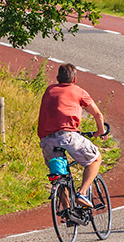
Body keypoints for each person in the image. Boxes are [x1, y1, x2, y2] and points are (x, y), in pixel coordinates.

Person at [37, 63, 107, 208]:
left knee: (59, 176)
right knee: (95, 159)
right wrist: (100, 131)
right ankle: (82, 193)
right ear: (74, 79)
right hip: (67, 135)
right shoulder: (78, 91)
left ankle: (68, 212)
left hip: (46, 139)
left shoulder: (49, 90)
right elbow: (98, 114)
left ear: (57, 78)